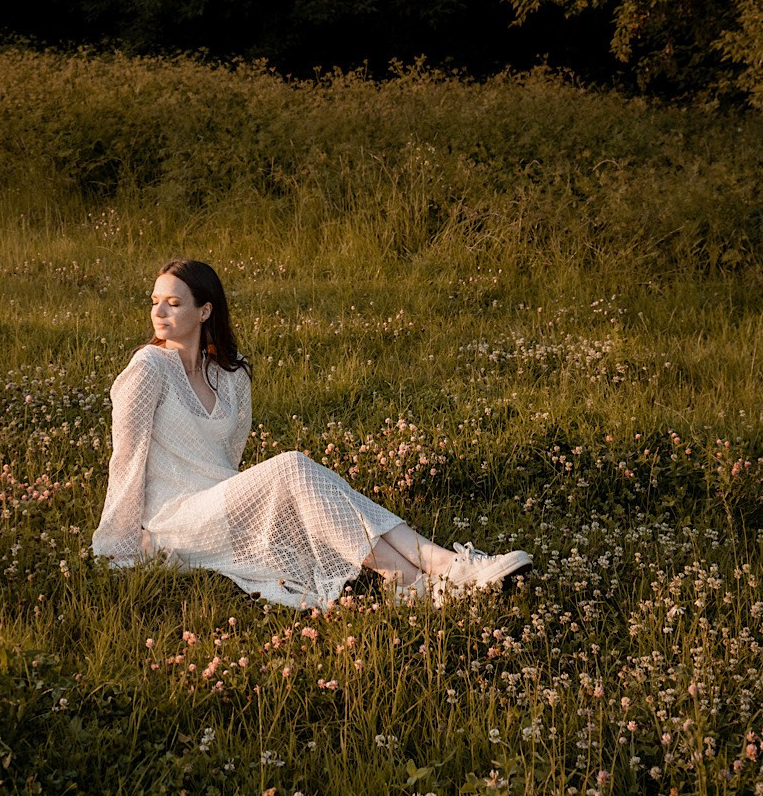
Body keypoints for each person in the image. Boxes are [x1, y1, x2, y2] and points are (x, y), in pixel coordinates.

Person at [92, 258, 531, 610]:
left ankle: (423, 577)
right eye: (155, 301)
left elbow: (229, 458)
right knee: (292, 466)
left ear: (204, 311)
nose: (159, 312)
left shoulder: (230, 375)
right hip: (175, 523)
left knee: (299, 477)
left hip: (221, 505)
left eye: (173, 302)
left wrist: (257, 510)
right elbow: (126, 462)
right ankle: (435, 569)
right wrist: (122, 546)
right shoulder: (147, 369)